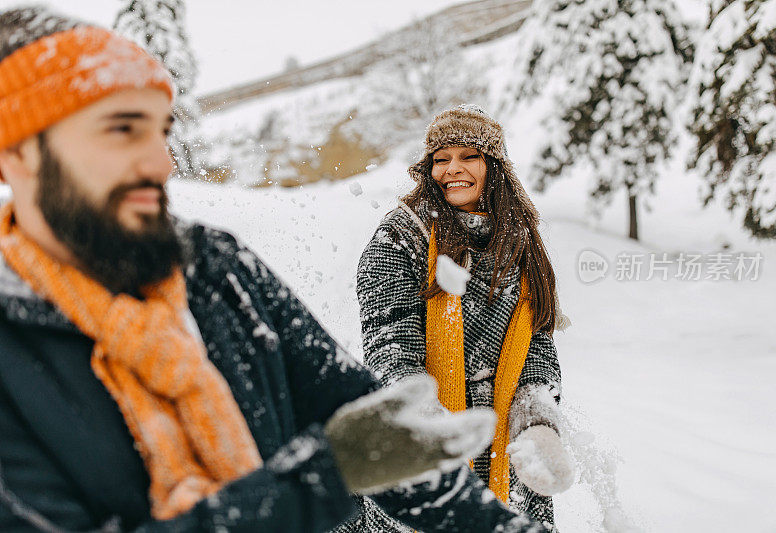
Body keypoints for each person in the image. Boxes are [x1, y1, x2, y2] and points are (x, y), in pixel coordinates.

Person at [0, 8, 547, 533]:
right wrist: (329, 477)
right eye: (122, 130)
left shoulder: (215, 269)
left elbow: (377, 432)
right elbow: (357, 450)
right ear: (18, 155)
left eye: (160, 131)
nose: (161, 162)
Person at [356, 104, 576, 531]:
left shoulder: (519, 243)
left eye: (468, 156)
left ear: (494, 166)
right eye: (441, 159)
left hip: (504, 448)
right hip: (424, 442)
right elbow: (389, 344)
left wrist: (537, 423)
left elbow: (538, 345)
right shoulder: (401, 237)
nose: (452, 169)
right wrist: (428, 428)